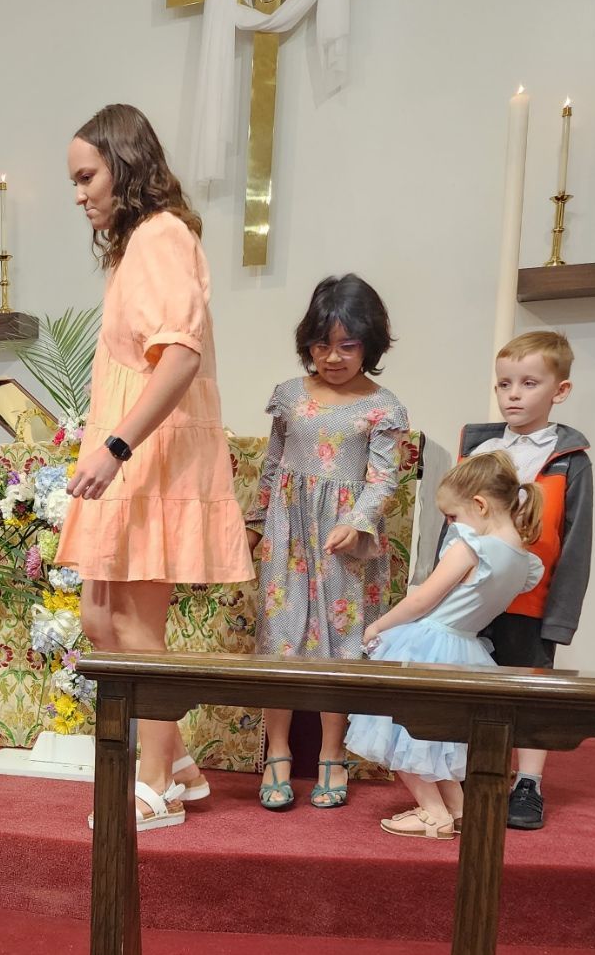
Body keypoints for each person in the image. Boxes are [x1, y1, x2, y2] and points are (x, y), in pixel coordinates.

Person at [57, 103, 253, 832]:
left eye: (87, 176)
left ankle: (155, 788)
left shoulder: (163, 236)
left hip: (150, 456)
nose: (80, 194)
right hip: (129, 453)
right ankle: (180, 766)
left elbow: (180, 357)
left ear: (125, 164)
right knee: (100, 617)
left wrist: (116, 447)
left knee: (136, 631)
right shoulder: (138, 243)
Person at [245, 274, 409, 813]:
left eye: (347, 345)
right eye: (321, 345)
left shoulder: (383, 407)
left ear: (371, 344)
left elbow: (385, 478)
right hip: (287, 532)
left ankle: (333, 757)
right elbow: (272, 466)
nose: (332, 357)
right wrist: (254, 523)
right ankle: (277, 755)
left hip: (346, 538)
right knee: (281, 638)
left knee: (344, 644)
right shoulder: (289, 396)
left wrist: (358, 520)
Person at [345, 452, 543, 839]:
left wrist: (378, 626)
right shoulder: (524, 561)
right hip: (467, 648)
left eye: (452, 516)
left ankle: (431, 811)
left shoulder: (472, 547)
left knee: (399, 726)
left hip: (430, 640)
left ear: (480, 505)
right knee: (433, 736)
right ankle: (458, 808)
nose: (451, 525)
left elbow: (424, 600)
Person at [455, 331, 591, 831]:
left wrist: (561, 616)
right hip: (472, 596)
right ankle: (470, 773)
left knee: (530, 690)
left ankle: (528, 782)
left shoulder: (570, 459)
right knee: (471, 683)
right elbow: (455, 521)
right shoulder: (481, 449)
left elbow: (577, 541)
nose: (512, 394)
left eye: (528, 383)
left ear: (560, 390)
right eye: (504, 384)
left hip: (533, 599)